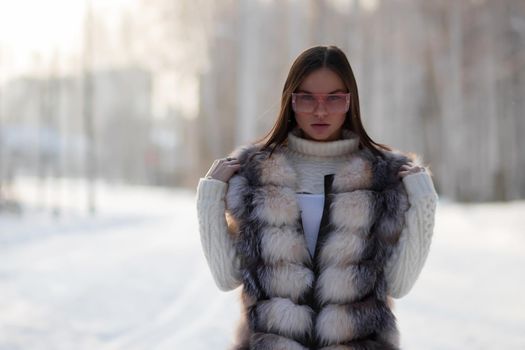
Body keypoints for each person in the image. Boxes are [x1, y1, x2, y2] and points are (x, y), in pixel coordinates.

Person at [196, 45, 438, 350]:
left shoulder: (384, 175)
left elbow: (399, 284)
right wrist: (209, 197)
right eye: (307, 97)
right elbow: (226, 276)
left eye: (334, 98)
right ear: (290, 101)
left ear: (350, 102)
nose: (320, 110)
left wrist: (425, 201)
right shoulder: (254, 172)